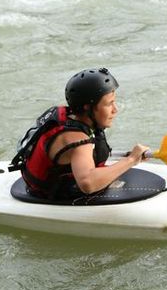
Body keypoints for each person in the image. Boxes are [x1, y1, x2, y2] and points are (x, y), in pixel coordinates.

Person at [11, 68, 150, 200]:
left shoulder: (71, 117)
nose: (116, 109)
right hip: (50, 194)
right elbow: (88, 184)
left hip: (42, 179)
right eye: (109, 104)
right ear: (88, 108)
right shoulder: (76, 139)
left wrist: (126, 155)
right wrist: (130, 160)